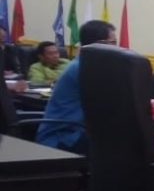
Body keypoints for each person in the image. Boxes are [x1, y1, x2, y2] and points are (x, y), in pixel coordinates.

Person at [36, 20, 117, 153]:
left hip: (77, 131)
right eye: (113, 43)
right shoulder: (85, 68)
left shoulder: (88, 63)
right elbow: (108, 104)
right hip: (62, 137)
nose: (117, 48)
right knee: (122, 145)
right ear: (98, 44)